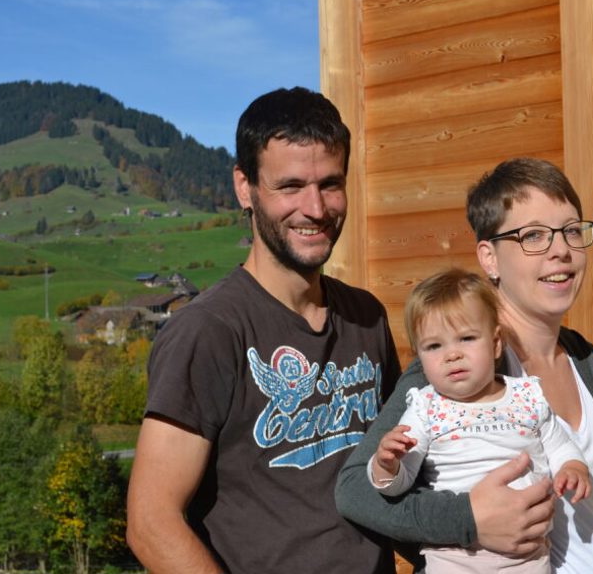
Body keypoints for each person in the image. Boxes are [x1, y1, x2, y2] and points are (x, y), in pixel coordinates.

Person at [335, 157, 593, 573]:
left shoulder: (588, 362)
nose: (561, 250)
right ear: (489, 258)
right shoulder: (455, 370)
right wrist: (468, 521)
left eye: (571, 230)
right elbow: (355, 492)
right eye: (533, 236)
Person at [126, 87, 401, 573]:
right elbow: (151, 521)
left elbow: (399, 471)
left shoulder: (367, 318)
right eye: (290, 186)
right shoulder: (208, 332)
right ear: (244, 187)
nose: (315, 208)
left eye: (330, 184)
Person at [369, 268, 591, 573]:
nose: (452, 354)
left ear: (496, 343)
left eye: (466, 338)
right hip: (455, 557)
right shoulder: (425, 408)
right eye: (434, 346)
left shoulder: (526, 396)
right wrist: (387, 464)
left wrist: (573, 467)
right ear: (418, 355)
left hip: (527, 556)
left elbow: (560, 444)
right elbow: (397, 484)